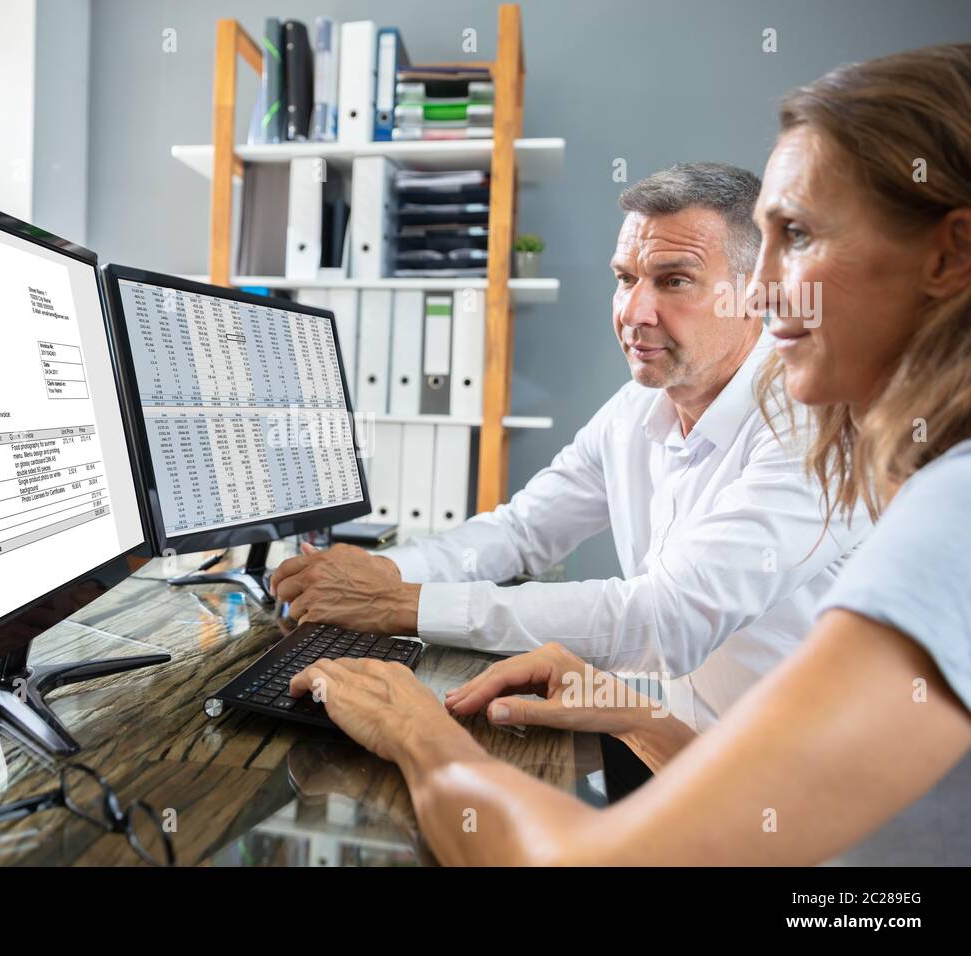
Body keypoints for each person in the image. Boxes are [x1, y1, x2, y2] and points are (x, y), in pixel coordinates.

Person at [286, 43, 971, 865]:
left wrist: (415, 727)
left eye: (798, 234)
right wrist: (635, 713)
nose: (764, 287)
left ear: (950, 255)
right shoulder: (901, 469)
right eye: (625, 277)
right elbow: (523, 530)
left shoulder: (939, 507)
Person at [273, 162, 865, 749]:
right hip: (668, 746)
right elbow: (522, 531)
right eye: (625, 278)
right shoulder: (635, 408)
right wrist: (385, 573)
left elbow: (667, 618)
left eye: (674, 281)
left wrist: (400, 604)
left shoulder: (814, 423)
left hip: (794, 800)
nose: (634, 313)